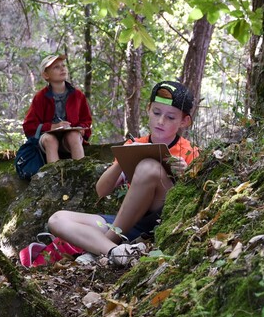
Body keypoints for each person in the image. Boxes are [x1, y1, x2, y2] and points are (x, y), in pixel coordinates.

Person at [45, 80, 199, 267]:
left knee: (149, 167)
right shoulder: (136, 144)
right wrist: (123, 160)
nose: (160, 121)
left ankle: (101, 246)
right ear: (148, 109)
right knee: (57, 219)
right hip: (128, 222)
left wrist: (187, 172)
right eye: (157, 113)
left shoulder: (190, 152)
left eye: (171, 117)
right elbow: (101, 190)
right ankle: (114, 251)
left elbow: (192, 201)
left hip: (159, 218)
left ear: (184, 121)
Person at [22, 54, 92, 163]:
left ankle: (81, 173)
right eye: (56, 67)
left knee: (73, 135)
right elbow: (29, 126)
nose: (62, 68)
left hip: (69, 140)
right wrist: (52, 127)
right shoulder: (41, 97)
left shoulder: (77, 95)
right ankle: (54, 176)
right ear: (46, 75)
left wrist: (81, 129)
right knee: (51, 140)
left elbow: (86, 120)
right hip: (47, 141)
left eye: (63, 65)